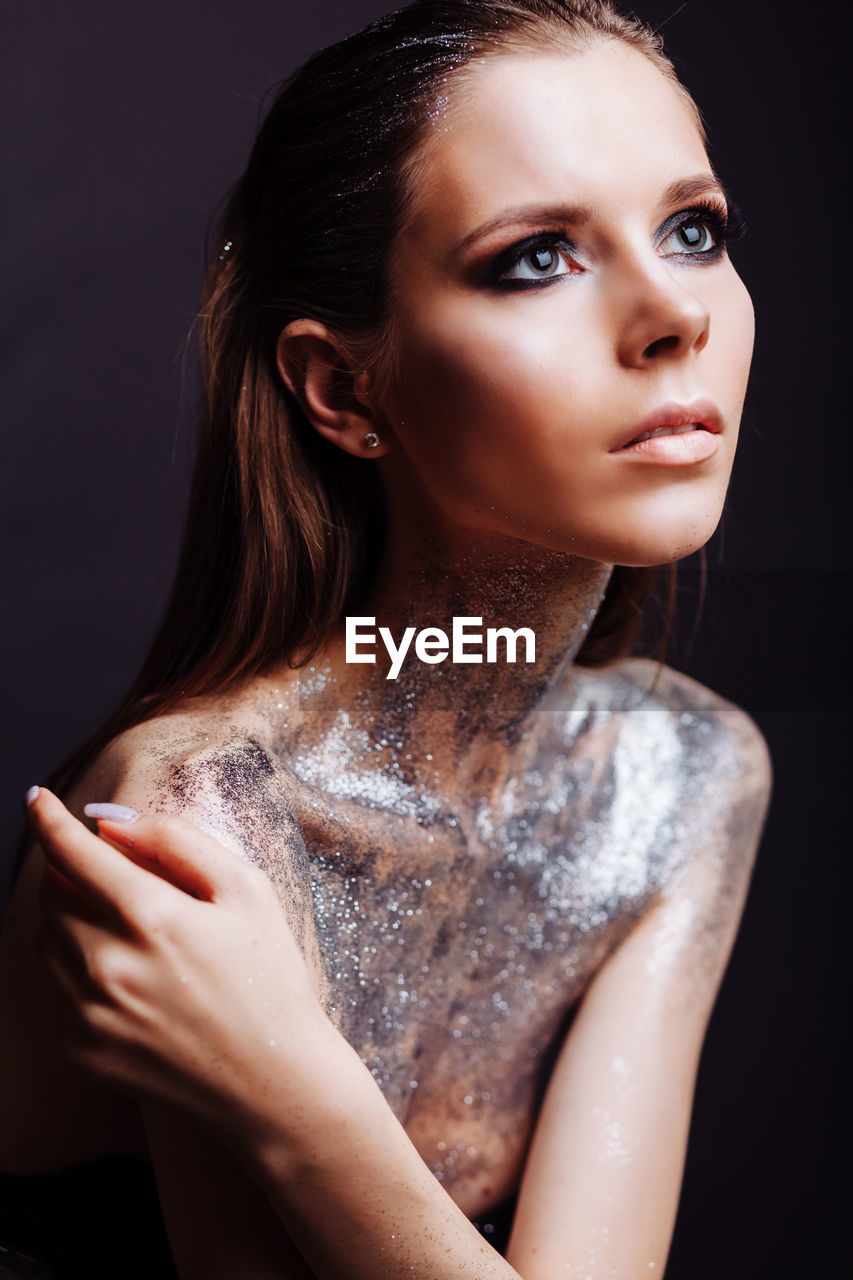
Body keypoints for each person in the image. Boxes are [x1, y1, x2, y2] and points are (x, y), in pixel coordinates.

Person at [0, 1, 772, 1276]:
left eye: (693, 230)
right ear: (345, 388)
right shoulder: (198, 809)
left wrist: (292, 1092)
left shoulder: (677, 777)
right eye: (535, 258)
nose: (671, 315)